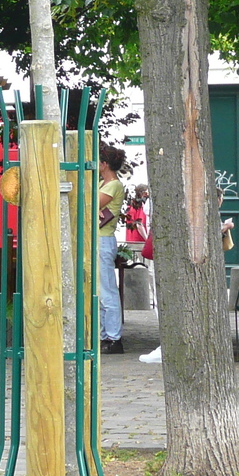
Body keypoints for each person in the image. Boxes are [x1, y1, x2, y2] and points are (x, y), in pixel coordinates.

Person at [97, 143, 129, 354]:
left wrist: (91, 205)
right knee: (100, 290)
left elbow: (89, 202)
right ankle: (103, 334)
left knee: (107, 289)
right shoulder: (101, 182)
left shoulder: (113, 185)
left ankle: (114, 337)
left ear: (105, 164)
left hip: (103, 239)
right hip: (97, 238)